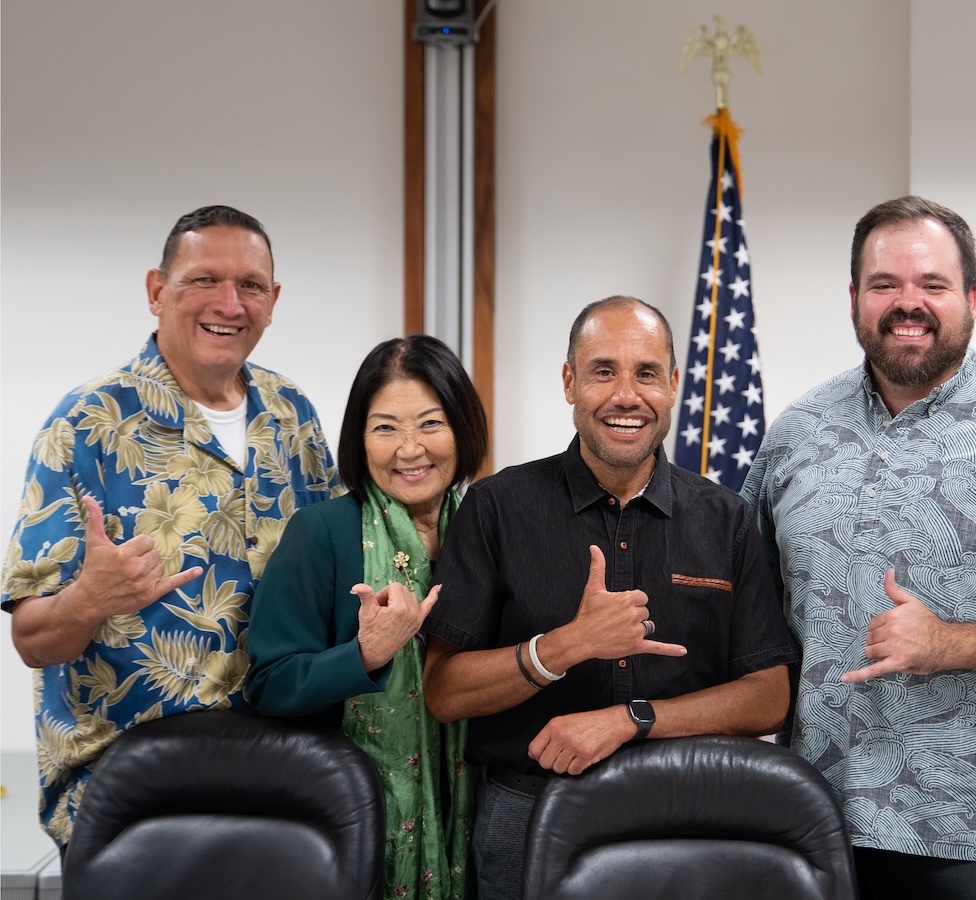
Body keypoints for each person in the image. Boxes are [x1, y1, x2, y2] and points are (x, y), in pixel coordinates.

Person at [741, 196, 976, 900]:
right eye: (885, 284)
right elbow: (751, 615)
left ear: (972, 299)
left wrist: (948, 642)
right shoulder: (795, 434)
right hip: (810, 823)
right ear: (855, 298)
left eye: (933, 285)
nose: (907, 303)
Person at [419, 295, 798, 900]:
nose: (627, 395)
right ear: (569, 382)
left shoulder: (726, 518)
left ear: (673, 385)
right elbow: (443, 691)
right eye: (603, 371)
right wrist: (564, 647)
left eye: (646, 373)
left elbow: (769, 695)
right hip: (529, 811)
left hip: (688, 806)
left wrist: (631, 720)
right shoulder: (496, 507)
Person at [2, 205, 339, 845]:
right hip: (132, 800)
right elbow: (31, 641)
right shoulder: (85, 425)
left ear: (273, 301)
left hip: (282, 786)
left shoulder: (294, 417)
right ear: (157, 292)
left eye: (251, 286)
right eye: (203, 280)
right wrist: (89, 598)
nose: (229, 304)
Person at [245, 335, 487, 899]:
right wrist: (366, 654)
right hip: (348, 829)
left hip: (480, 821)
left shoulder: (491, 524)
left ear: (462, 429)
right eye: (385, 428)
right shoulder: (321, 532)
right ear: (359, 437)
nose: (409, 449)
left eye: (430, 423)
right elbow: (268, 685)